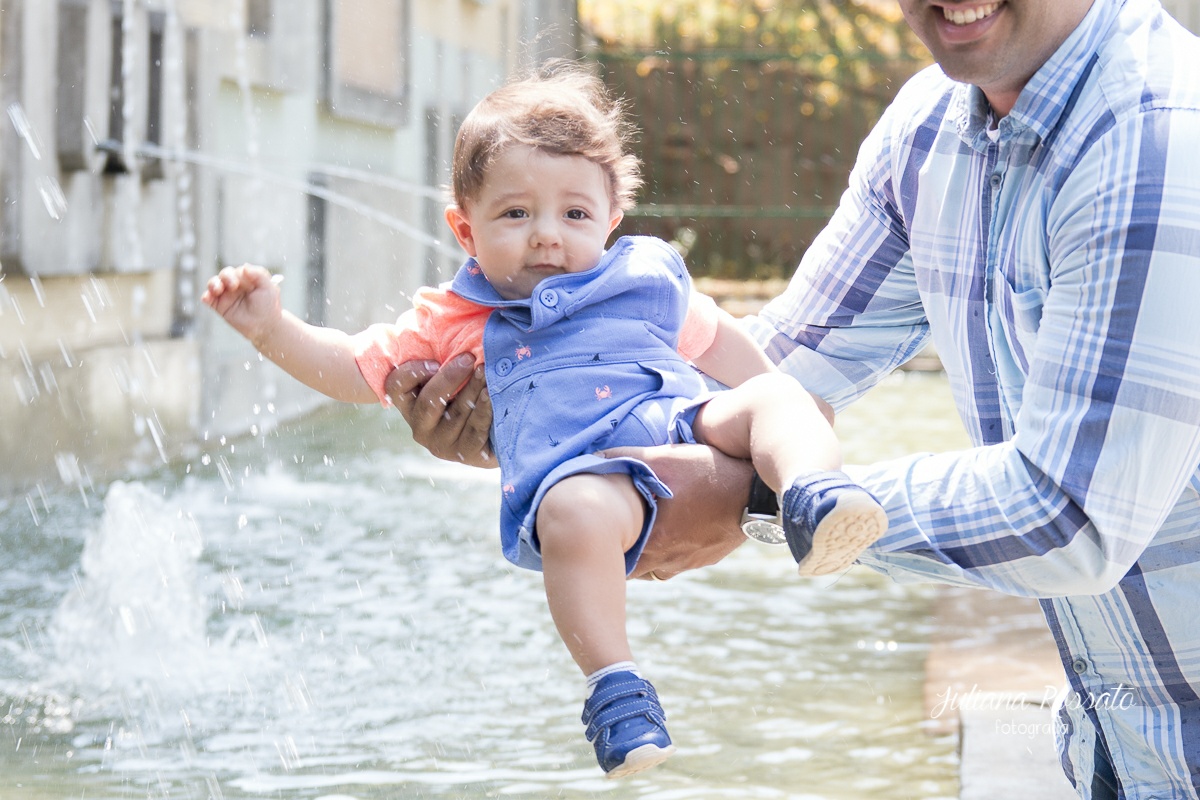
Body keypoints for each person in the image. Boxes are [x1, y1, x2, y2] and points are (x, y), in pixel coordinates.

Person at [386, 1, 1200, 797]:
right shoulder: (932, 130)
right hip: (1120, 744)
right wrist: (546, 410)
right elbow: (770, 376)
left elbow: (1070, 514)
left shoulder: (1154, 135)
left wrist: (769, 499)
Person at [201, 64, 888, 779]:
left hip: (683, 421)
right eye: (516, 214)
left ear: (612, 218)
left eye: (575, 214)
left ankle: (815, 496)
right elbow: (351, 366)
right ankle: (618, 690)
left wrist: (773, 423)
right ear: (466, 229)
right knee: (571, 513)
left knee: (784, 401)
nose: (547, 237)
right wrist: (271, 328)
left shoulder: (643, 277)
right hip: (589, 474)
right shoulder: (458, 321)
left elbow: (718, 342)